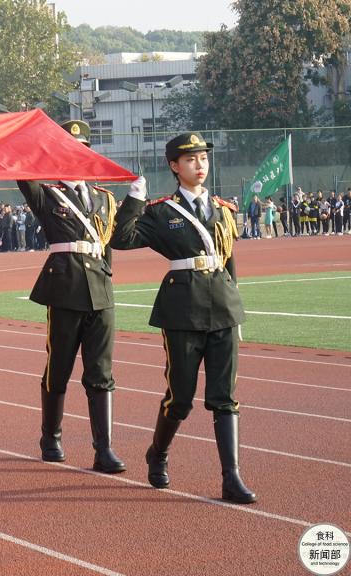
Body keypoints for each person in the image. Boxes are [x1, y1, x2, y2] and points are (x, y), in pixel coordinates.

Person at [110, 132, 256, 504]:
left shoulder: (223, 209)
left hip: (223, 308)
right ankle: (157, 453)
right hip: (182, 310)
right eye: (190, 159)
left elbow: (227, 260)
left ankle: (231, 477)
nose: (199, 165)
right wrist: (134, 198)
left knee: (224, 397)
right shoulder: (162, 212)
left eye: (203, 158)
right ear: (174, 166)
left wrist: (235, 305)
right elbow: (121, 238)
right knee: (181, 398)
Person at [14, 119, 126, 474]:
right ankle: (51, 437)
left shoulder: (105, 198)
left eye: (82, 150)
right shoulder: (47, 194)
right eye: (68, 149)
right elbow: (22, 170)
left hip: (100, 290)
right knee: (59, 366)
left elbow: (106, 246)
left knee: (101, 371)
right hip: (64, 289)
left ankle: (104, 449)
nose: (77, 155)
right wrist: (35, 139)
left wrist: (106, 280)